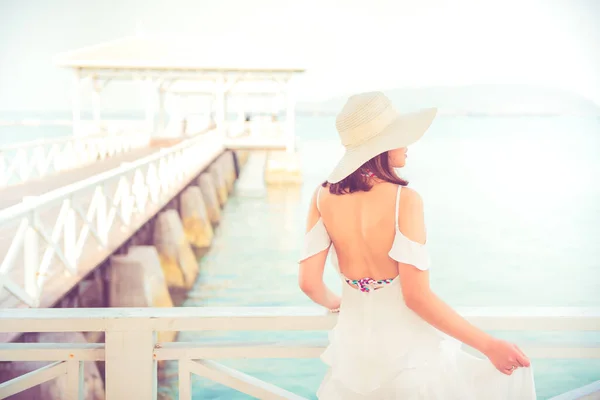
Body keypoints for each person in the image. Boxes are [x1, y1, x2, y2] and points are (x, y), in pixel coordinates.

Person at [298, 91, 536, 399]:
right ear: (380, 146)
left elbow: (308, 283)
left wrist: (341, 303)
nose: (407, 145)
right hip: (405, 352)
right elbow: (416, 296)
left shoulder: (321, 196)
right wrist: (489, 345)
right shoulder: (404, 201)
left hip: (354, 351)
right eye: (401, 137)